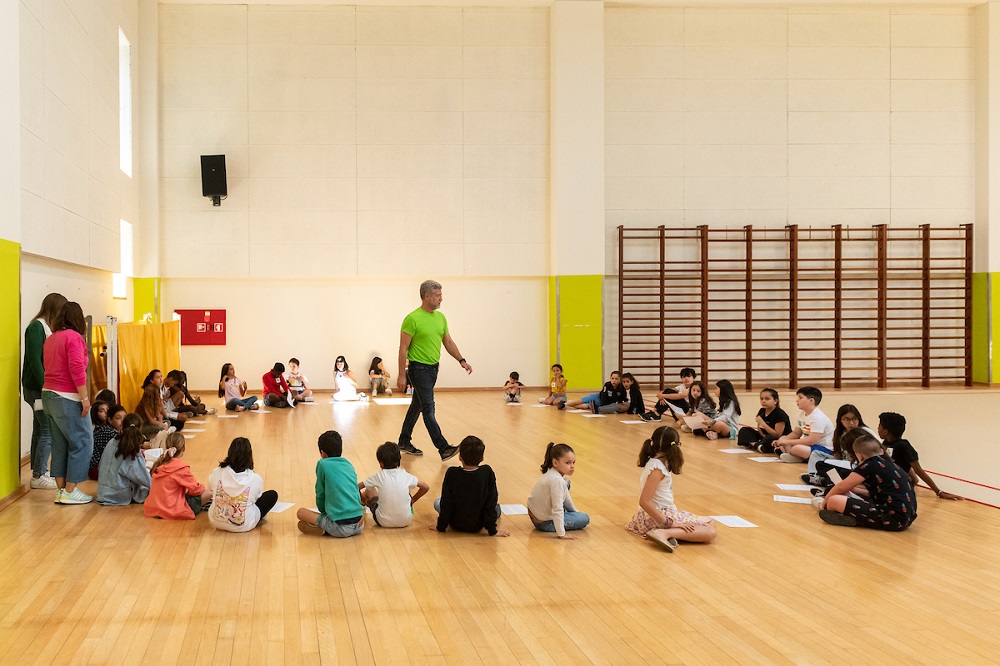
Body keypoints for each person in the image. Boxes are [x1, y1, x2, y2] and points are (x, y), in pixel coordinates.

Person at [396, 280, 472, 461]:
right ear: (427, 296)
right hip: (418, 369)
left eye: (440, 295)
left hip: (433, 369)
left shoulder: (441, 318)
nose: (441, 299)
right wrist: (401, 374)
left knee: (417, 405)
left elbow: (448, 342)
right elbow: (403, 348)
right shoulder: (412, 319)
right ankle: (443, 448)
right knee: (428, 409)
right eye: (438, 295)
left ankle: (404, 441)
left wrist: (461, 359)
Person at [626, 426, 717, 552]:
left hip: (657, 515)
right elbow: (644, 501)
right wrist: (670, 523)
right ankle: (664, 533)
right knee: (710, 531)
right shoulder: (658, 468)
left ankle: (670, 534)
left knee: (710, 523)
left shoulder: (655, 462)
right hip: (657, 516)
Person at [41, 301, 94, 505]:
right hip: (67, 397)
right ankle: (71, 491)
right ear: (78, 319)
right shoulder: (74, 337)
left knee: (60, 444)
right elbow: (76, 369)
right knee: (82, 443)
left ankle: (62, 490)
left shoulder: (52, 338)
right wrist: (85, 398)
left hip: (48, 396)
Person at [819, 435, 918, 531]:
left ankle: (850, 517)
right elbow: (881, 494)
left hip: (891, 519)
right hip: (906, 518)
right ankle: (849, 516)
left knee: (833, 500)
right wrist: (855, 490)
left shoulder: (869, 465)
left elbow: (841, 487)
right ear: (881, 451)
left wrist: (826, 501)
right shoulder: (890, 463)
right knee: (845, 495)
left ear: (859, 456)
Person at [22, 292, 67, 490]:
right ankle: (39, 474)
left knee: (40, 429)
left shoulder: (45, 328)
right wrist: (45, 386)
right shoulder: (36, 327)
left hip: (41, 387)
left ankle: (38, 471)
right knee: (47, 430)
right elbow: (34, 360)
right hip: (37, 388)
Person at [431, 436, 508, 537]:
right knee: (495, 505)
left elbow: (446, 503)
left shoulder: (452, 473)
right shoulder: (487, 472)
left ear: (459, 457)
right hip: (479, 524)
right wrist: (493, 531)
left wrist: (440, 527)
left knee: (437, 502)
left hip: (456, 523)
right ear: (482, 458)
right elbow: (490, 501)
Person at [878, 412, 962, 500]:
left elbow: (918, 469)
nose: (877, 428)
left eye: (879, 426)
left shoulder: (904, 446)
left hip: (896, 487)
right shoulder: (886, 444)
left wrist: (939, 492)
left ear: (885, 431)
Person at [296, 431, 364, 538]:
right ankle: (326, 528)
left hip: (340, 527)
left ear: (322, 452)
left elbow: (320, 493)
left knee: (301, 513)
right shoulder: (348, 463)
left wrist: (323, 511)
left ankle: (324, 529)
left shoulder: (322, 464)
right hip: (359, 524)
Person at [207, 438, 279, 533]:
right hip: (244, 525)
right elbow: (256, 498)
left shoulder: (217, 472)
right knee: (272, 495)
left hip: (216, 521)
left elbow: (210, 488)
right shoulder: (255, 478)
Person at [802, 404, 878, 485]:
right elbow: (837, 453)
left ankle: (826, 480)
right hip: (844, 461)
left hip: (857, 464)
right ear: (840, 420)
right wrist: (833, 463)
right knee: (817, 455)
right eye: (847, 419)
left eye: (854, 419)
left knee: (828, 468)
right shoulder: (839, 433)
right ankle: (814, 475)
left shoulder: (864, 431)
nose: (851, 423)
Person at [527, 443, 589, 538]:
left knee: (567, 484)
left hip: (537, 516)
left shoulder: (552, 474)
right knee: (585, 518)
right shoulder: (557, 481)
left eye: (573, 462)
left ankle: (563, 519)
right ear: (555, 463)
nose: (572, 466)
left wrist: (575, 514)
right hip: (544, 523)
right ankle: (557, 524)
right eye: (568, 463)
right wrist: (562, 534)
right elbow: (558, 508)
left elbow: (567, 499)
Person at [144, 433, 212, 520]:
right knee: (209, 493)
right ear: (183, 448)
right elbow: (196, 490)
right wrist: (201, 487)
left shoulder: (160, 463)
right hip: (172, 509)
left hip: (154, 507)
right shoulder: (180, 467)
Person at [360, 442, 429, 528]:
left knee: (369, 489)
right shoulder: (405, 475)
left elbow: (356, 487)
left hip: (382, 521)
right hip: (406, 520)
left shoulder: (379, 475)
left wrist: (364, 500)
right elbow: (425, 487)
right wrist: (412, 501)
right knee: (407, 489)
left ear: (381, 463)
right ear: (399, 459)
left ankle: (361, 504)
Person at [97, 414, 152, 506]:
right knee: (148, 486)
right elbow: (144, 479)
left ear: (122, 426)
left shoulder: (112, 442)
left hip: (102, 491)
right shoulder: (131, 450)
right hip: (117, 496)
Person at [773, 386, 834, 464]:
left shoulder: (818, 418)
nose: (797, 400)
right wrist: (783, 440)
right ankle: (797, 456)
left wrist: (788, 442)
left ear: (811, 400)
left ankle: (799, 457)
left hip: (823, 449)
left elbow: (812, 441)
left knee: (796, 448)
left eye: (800, 398)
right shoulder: (802, 414)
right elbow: (796, 433)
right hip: (809, 446)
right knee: (784, 438)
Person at [737, 388, 790, 453]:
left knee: (770, 439)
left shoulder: (780, 414)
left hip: (777, 438)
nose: (763, 401)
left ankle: (758, 445)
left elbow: (777, 434)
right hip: (764, 436)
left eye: (767, 399)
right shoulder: (762, 411)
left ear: (775, 401)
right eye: (761, 399)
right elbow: (759, 428)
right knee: (744, 430)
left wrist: (763, 424)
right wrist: (763, 436)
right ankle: (757, 445)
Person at [89, 402, 125, 480]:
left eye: (124, 418)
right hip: (97, 469)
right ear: (110, 420)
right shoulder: (107, 432)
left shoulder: (118, 430)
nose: (122, 421)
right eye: (118, 418)